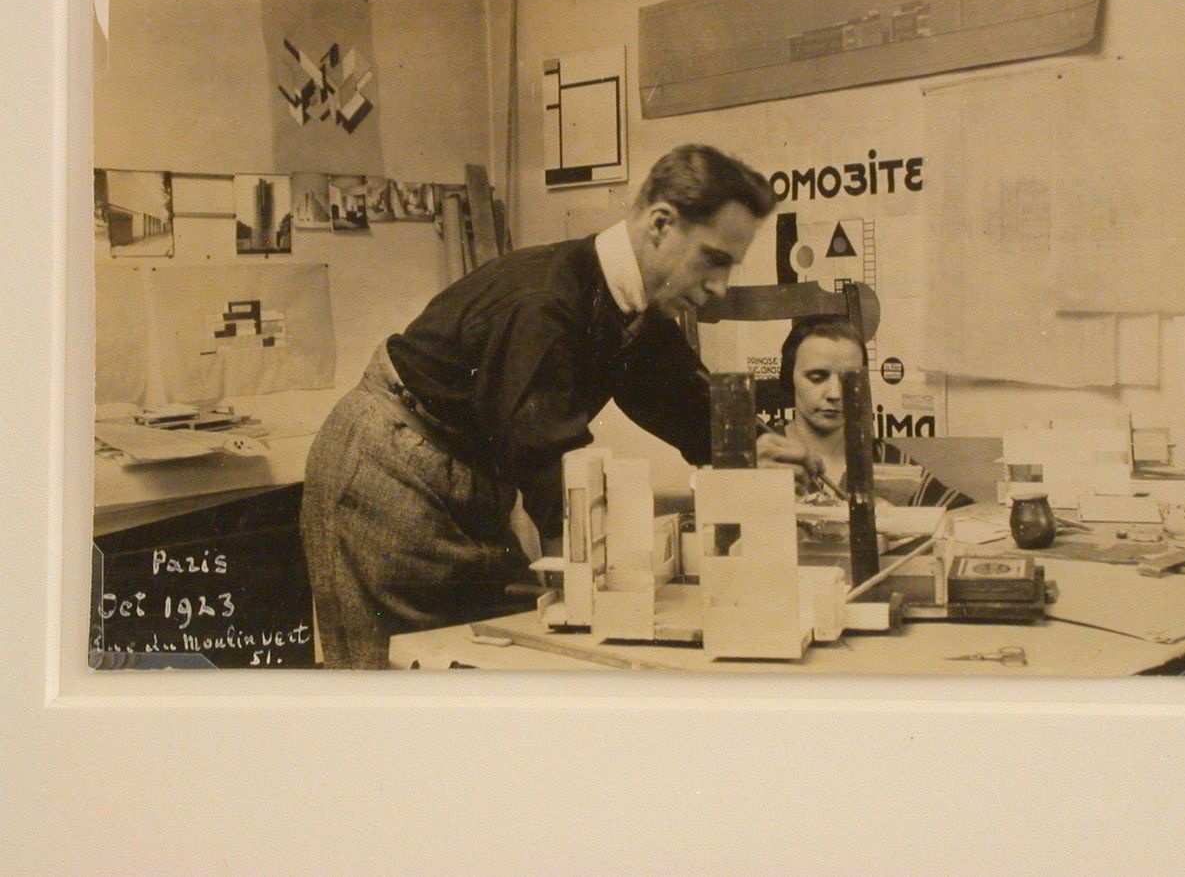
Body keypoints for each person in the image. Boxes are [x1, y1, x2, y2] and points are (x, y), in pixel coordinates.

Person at [299, 144, 816, 668]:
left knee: (474, 676)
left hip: (464, 478)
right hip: (391, 474)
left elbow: (674, 392)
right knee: (398, 686)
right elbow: (552, 464)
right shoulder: (546, 304)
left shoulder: (624, 300)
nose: (720, 287)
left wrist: (754, 447)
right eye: (714, 260)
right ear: (661, 224)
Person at [766, 315, 973, 509]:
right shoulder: (765, 455)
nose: (835, 393)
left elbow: (964, 515)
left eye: (849, 379)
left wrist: (900, 519)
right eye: (817, 377)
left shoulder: (886, 458)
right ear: (789, 378)